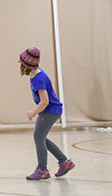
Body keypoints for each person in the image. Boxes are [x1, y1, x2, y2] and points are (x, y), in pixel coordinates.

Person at [19, 47, 75, 180]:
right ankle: (65, 162)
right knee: (41, 137)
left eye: (22, 63)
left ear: (27, 65)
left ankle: (42, 169)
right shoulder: (35, 75)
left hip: (51, 110)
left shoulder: (39, 78)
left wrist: (33, 113)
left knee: (38, 137)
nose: (20, 65)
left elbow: (45, 101)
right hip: (49, 111)